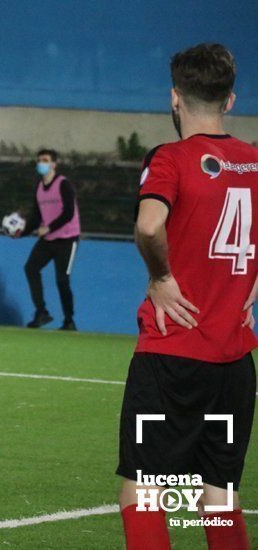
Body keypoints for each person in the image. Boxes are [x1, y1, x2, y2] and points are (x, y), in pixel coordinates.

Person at [118, 43, 256, 550]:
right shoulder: (255, 161)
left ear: (175, 98)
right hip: (235, 362)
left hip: (172, 358)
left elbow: (149, 225)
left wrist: (160, 276)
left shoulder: (170, 157)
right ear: (231, 100)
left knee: (146, 490)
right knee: (219, 496)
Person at [16, 149, 80, 331]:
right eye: (39, 160)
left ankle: (69, 320)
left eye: (45, 160)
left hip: (68, 239)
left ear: (54, 164)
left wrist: (49, 227)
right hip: (49, 238)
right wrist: (21, 232)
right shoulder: (39, 187)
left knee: (62, 280)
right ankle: (41, 312)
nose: (41, 164)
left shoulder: (63, 184)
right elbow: (36, 217)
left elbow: (69, 213)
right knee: (31, 268)